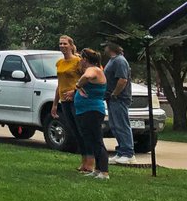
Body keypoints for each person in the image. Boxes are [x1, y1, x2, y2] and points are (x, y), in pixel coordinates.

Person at [51, 35, 89, 173]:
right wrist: (55, 104)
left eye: (65, 44)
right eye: (60, 44)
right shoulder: (59, 63)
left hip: (76, 100)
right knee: (74, 131)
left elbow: (86, 80)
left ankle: (90, 161)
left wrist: (74, 91)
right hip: (64, 101)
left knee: (81, 129)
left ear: (71, 46)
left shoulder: (78, 62)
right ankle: (83, 161)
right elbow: (59, 84)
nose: (62, 46)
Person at [74, 47, 110, 179]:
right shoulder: (94, 69)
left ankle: (104, 172)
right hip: (85, 110)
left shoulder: (93, 69)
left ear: (85, 59)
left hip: (92, 111)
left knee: (97, 140)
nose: (80, 62)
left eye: (80, 59)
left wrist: (78, 85)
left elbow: (87, 76)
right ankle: (97, 169)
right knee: (89, 140)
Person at [104, 42, 134, 164]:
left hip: (119, 98)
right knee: (115, 126)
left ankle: (128, 153)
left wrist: (115, 93)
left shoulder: (120, 61)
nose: (104, 49)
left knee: (121, 125)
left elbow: (122, 79)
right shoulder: (113, 60)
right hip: (112, 98)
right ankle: (121, 151)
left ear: (111, 48)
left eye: (105, 46)